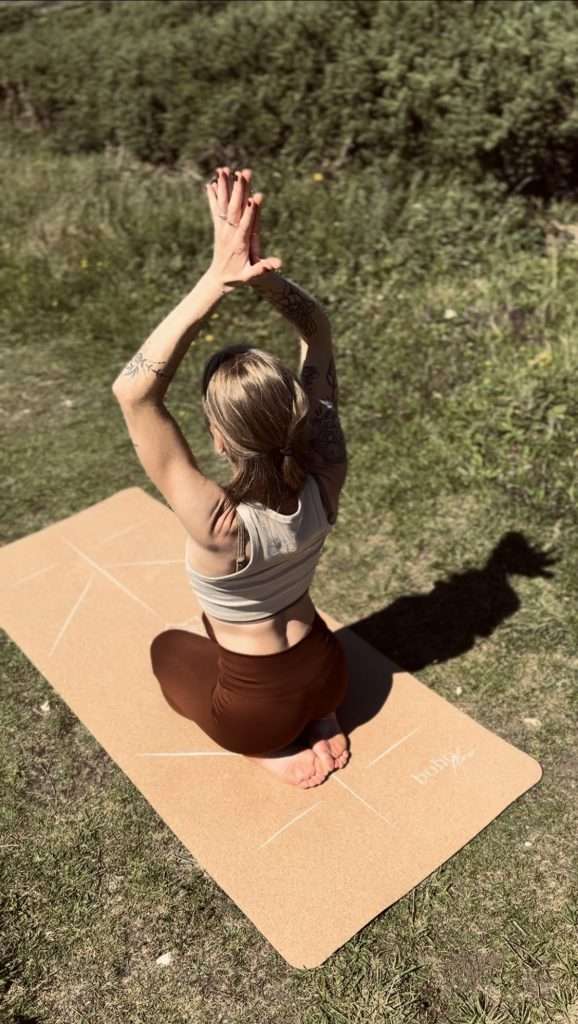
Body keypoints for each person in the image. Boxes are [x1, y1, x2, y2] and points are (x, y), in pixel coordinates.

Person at [148, 166, 349, 790]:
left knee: (164, 648)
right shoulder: (326, 471)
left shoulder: (218, 525)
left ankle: (273, 747)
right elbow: (316, 330)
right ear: (298, 413)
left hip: (256, 710)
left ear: (216, 437)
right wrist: (262, 277)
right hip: (327, 669)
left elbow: (135, 394)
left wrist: (218, 279)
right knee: (217, 631)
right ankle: (322, 715)